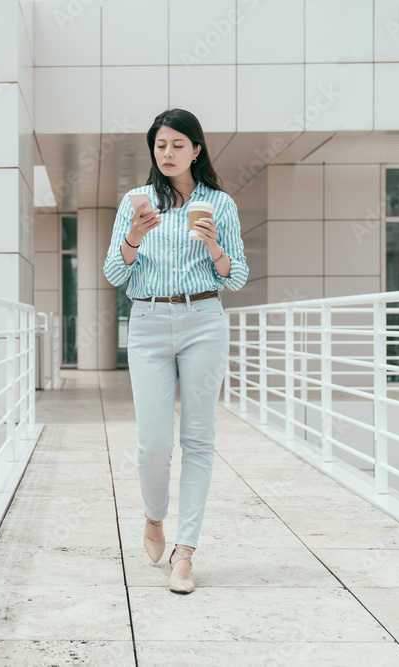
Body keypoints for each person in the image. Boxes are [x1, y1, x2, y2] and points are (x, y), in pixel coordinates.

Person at [103, 108, 248, 594]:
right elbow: (114, 274)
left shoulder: (219, 204)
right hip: (146, 324)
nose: (167, 153)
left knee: (199, 439)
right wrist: (133, 238)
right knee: (154, 444)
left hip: (202, 320)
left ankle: (185, 553)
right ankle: (153, 517)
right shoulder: (136, 201)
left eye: (177, 145)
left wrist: (214, 250)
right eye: (160, 145)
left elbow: (238, 276)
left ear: (197, 150)